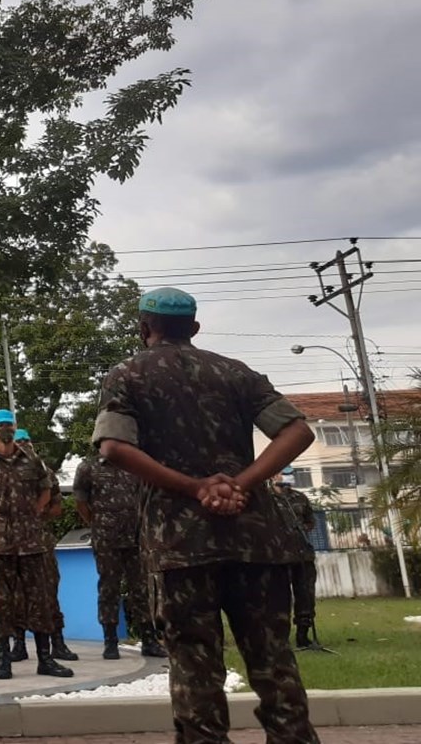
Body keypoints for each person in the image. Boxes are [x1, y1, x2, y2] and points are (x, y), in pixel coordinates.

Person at [92, 287, 321, 744]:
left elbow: (115, 447)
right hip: (256, 539)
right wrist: (243, 482)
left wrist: (195, 487)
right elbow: (297, 430)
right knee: (272, 657)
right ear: (194, 329)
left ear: (144, 329)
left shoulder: (127, 374)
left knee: (195, 659)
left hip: (181, 546)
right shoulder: (235, 373)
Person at [0, 410, 73, 681]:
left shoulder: (32, 460)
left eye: (9, 425)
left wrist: (31, 515)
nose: (5, 429)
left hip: (31, 541)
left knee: (40, 599)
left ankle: (45, 659)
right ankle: (5, 660)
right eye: (0, 425)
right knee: (1, 601)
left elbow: (46, 490)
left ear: (15, 427)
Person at [73, 451, 165, 659]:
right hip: (106, 540)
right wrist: (98, 526)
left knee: (141, 589)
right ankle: (110, 641)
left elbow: (146, 498)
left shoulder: (135, 464)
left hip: (135, 538)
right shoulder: (88, 467)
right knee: (109, 589)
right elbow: (81, 502)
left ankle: (149, 640)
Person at [14, 428, 77, 664]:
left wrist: (36, 515)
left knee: (49, 592)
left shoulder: (46, 473)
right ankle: (19, 645)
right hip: (14, 544)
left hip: (41, 543)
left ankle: (57, 644)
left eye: (27, 440)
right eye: (19, 442)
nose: (23, 445)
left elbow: (57, 508)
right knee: (17, 595)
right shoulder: (5, 474)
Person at [272, 468, 318, 648]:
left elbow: (310, 521)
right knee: (278, 598)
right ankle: (279, 638)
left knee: (306, 596)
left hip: (302, 555)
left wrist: (301, 530)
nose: (287, 477)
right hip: (278, 558)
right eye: (283, 472)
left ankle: (303, 634)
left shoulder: (300, 498)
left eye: (289, 473)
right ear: (273, 475)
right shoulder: (265, 499)